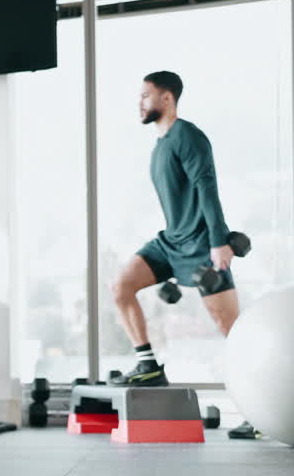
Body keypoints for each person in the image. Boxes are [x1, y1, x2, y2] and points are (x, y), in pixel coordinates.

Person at [109, 71, 255, 437]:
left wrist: (218, 242)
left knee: (233, 332)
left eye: (146, 95)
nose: (140, 102)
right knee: (122, 286)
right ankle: (148, 366)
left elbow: (207, 186)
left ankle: (260, 409)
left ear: (167, 98)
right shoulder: (161, 144)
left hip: (202, 245)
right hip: (171, 242)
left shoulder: (187, 136)